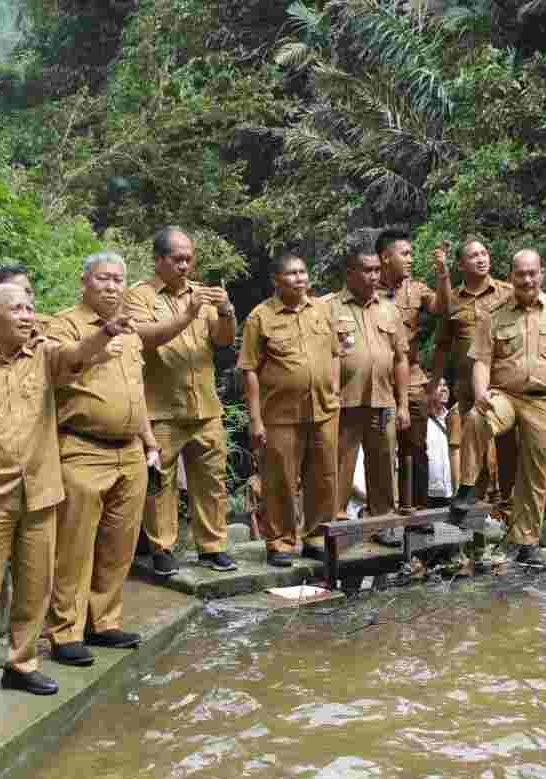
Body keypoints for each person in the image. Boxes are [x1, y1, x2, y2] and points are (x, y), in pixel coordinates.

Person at [0, 282, 133, 703]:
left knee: (35, 586)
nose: (28, 316)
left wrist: (106, 331)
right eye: (18, 309)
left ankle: (22, 665)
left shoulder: (44, 356)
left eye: (30, 308)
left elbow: (78, 353)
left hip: (41, 493)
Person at [42, 252, 160, 668]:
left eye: (118, 279)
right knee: (74, 546)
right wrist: (103, 334)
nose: (111, 286)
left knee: (118, 544)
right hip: (82, 447)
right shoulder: (64, 324)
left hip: (130, 450)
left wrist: (150, 444)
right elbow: (66, 360)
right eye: (103, 278)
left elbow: (136, 392)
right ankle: (65, 631)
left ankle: (104, 621)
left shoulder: (131, 330)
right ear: (85, 282)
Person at [452, 249, 546, 564]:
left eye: (532, 273)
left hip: (545, 400)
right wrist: (481, 393)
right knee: (476, 418)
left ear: (542, 273)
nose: (527, 279)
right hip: (505, 395)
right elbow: (481, 361)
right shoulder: (495, 313)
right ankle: (467, 488)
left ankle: (526, 543)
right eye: (520, 274)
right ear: (511, 276)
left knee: (534, 473)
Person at [125, 226, 238, 575]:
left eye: (189, 258)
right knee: (161, 483)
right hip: (161, 408)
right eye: (177, 259)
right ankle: (162, 548)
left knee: (212, 480)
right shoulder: (139, 296)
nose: (185, 265)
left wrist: (226, 311)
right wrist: (188, 314)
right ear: (158, 260)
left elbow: (223, 341)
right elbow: (144, 338)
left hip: (205, 406)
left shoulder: (200, 294)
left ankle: (212, 547)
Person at [240, 254, 340, 568]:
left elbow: (335, 353)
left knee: (323, 477)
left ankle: (316, 539)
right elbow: (249, 369)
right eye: (292, 273)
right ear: (277, 280)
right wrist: (255, 419)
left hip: (323, 410)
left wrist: (335, 390)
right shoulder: (260, 317)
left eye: (303, 272)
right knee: (280, 480)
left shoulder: (322, 309)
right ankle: (280, 542)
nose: (300, 278)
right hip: (280, 415)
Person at [328, 245, 408, 546]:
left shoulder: (389, 309)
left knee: (384, 463)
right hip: (344, 402)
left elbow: (400, 358)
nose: (374, 276)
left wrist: (403, 404)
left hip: (382, 400)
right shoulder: (328, 308)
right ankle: (335, 525)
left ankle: (382, 523)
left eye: (377, 270)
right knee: (339, 465)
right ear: (350, 273)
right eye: (367, 270)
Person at [376, 228, 445, 527]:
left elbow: (443, 308)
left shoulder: (416, 289)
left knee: (416, 446)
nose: (410, 259)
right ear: (385, 257)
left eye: (411, 253)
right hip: (379, 379)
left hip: (413, 376)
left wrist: (443, 275)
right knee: (380, 450)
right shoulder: (369, 291)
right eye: (404, 253)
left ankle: (419, 513)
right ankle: (382, 516)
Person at [431, 237, 513, 414]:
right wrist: (433, 386)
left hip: (505, 388)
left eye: (484, 254)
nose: (481, 259)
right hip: (467, 392)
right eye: (474, 256)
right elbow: (442, 346)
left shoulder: (508, 293)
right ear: (461, 265)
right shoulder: (451, 300)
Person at [426, 381, 454, 507]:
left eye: (446, 385)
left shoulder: (455, 418)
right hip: (428, 495)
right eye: (439, 385)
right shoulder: (421, 422)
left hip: (452, 493)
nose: (444, 389)